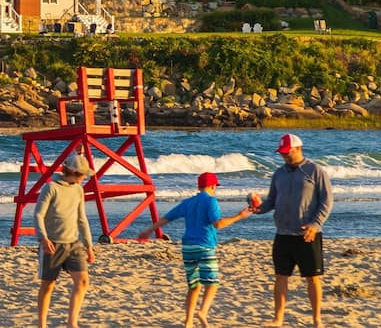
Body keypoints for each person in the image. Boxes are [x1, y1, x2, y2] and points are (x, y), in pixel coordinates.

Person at [137, 172, 254, 328]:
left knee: (194, 285)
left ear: (199, 186)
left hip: (188, 248)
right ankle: (202, 312)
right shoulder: (211, 201)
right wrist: (239, 216)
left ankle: (188, 322)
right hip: (204, 245)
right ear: (213, 186)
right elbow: (218, 224)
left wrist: (149, 230)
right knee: (212, 283)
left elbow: (168, 217)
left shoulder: (189, 202)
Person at [255, 134, 333, 327]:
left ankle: (317, 319)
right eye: (281, 153)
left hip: (307, 234)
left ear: (298, 149)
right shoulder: (279, 174)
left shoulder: (315, 171)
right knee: (281, 276)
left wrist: (315, 224)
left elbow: (326, 201)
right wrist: (257, 208)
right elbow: (271, 201)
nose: (284, 156)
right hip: (282, 234)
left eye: (286, 152)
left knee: (312, 278)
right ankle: (278, 318)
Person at [33, 155, 96, 328]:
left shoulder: (78, 190)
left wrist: (89, 245)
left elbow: (81, 218)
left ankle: (72, 323)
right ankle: (42, 324)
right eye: (83, 174)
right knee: (48, 285)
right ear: (74, 172)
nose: (84, 178)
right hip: (52, 243)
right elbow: (38, 214)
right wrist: (43, 238)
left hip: (73, 243)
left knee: (83, 281)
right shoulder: (51, 188)